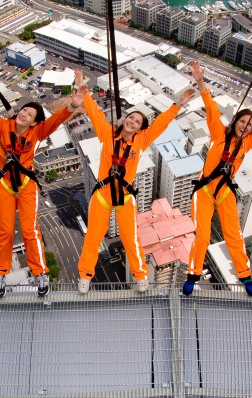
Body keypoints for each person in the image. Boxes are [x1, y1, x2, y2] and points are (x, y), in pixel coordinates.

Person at [0, 73, 82, 298]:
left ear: (34, 122)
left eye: (29, 114)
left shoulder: (37, 132)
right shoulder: (3, 126)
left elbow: (56, 120)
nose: (24, 113)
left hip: (25, 185)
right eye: (23, 110)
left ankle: (40, 272)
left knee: (29, 231)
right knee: (3, 231)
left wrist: (72, 105)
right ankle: (1, 273)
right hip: (4, 184)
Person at [77, 76, 193, 293]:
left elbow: (161, 124)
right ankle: (85, 276)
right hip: (102, 195)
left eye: (137, 121)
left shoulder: (140, 141)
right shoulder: (108, 135)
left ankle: (141, 275)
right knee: (93, 237)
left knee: (131, 239)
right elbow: (94, 113)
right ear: (124, 120)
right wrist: (83, 91)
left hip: (125, 198)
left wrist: (178, 104)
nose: (132, 121)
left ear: (140, 129)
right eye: (130, 118)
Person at [182, 60, 252, 297]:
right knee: (201, 235)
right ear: (235, 122)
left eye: (249, 124)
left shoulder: (247, 143)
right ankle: (193, 274)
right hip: (204, 188)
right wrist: (200, 79)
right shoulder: (219, 133)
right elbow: (210, 106)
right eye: (242, 121)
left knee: (233, 234)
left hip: (224, 191)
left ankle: (244, 275)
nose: (246, 126)